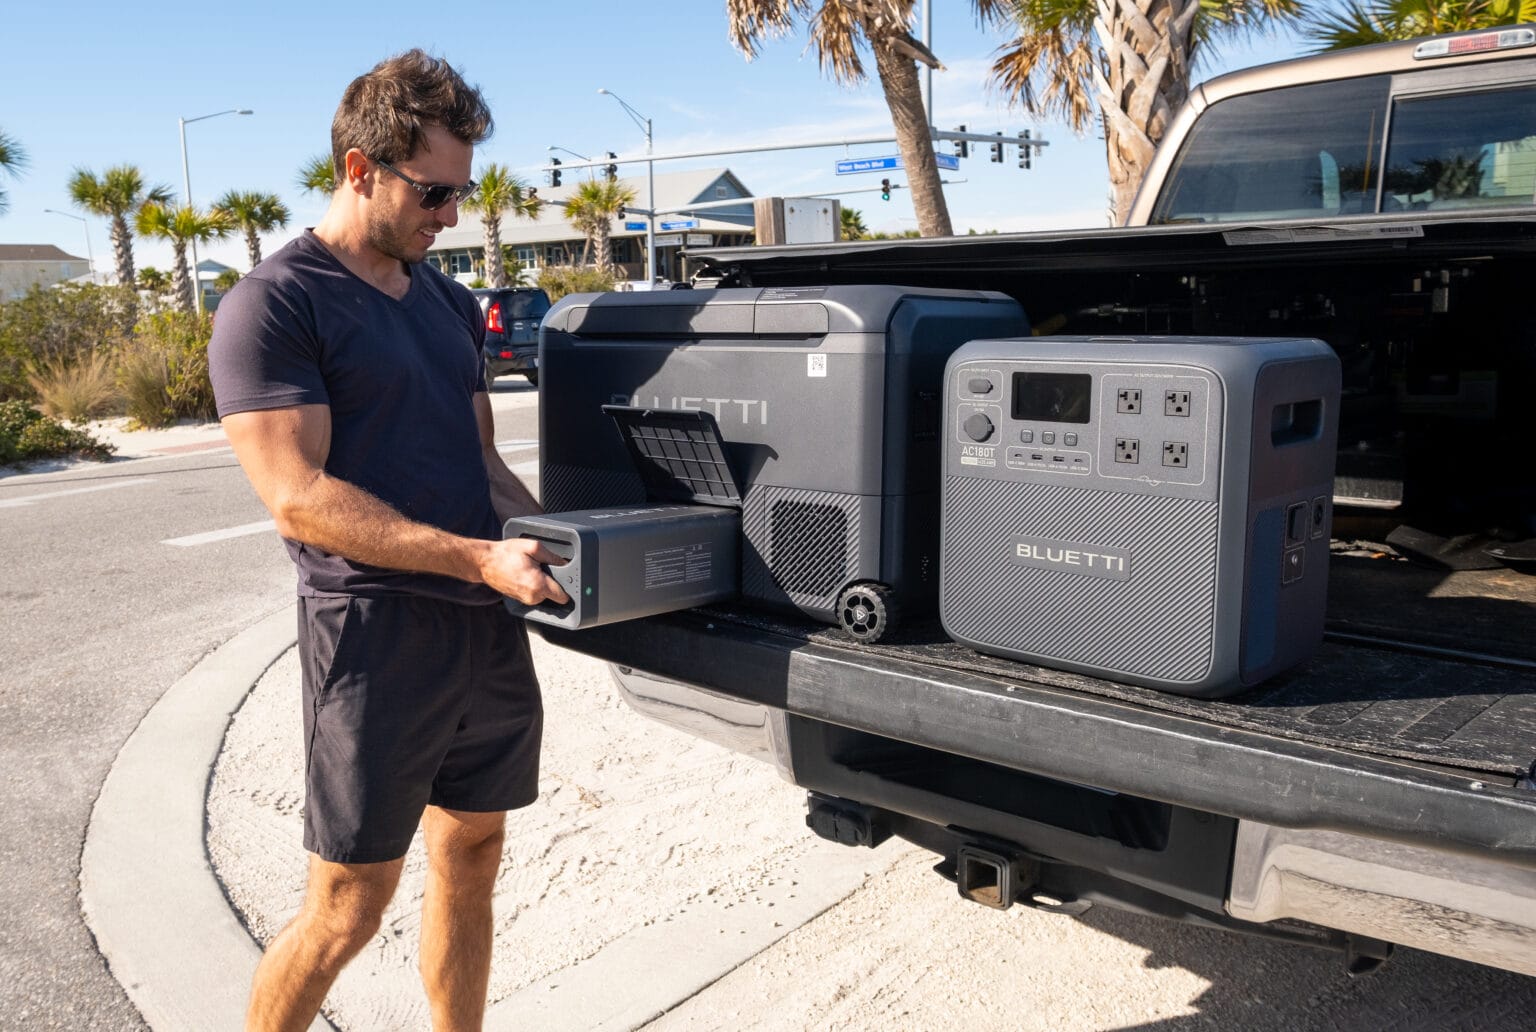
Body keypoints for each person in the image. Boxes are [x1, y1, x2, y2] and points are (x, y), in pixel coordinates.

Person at [208, 49, 567, 1032]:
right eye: (436, 191)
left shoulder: (450, 305)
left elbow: (484, 467)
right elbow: (299, 496)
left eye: (461, 193)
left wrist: (561, 546)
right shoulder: (275, 306)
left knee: (474, 858)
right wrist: (472, 558)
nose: (451, 214)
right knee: (347, 910)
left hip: (479, 632)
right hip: (372, 641)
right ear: (363, 168)